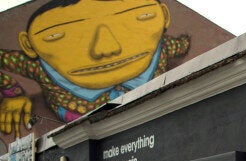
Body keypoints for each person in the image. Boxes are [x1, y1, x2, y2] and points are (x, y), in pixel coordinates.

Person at [0, 0, 190, 127]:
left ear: (165, 16)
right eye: (58, 36)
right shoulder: (39, 68)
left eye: (140, 18)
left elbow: (185, 43)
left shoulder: (163, 47)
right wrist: (13, 94)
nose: (106, 48)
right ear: (28, 44)